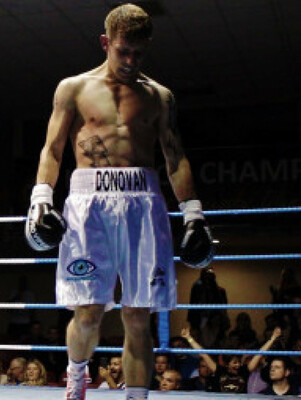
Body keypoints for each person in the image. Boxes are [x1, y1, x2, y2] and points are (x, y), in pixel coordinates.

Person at [23, 4, 213, 400]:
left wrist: (193, 214)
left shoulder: (160, 97)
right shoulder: (73, 88)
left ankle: (136, 397)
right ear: (105, 42)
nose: (129, 61)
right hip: (88, 203)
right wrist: (41, 198)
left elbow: (175, 157)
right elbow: (53, 148)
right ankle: (77, 378)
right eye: (123, 51)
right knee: (88, 312)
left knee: (137, 315)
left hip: (143, 202)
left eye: (138, 53)